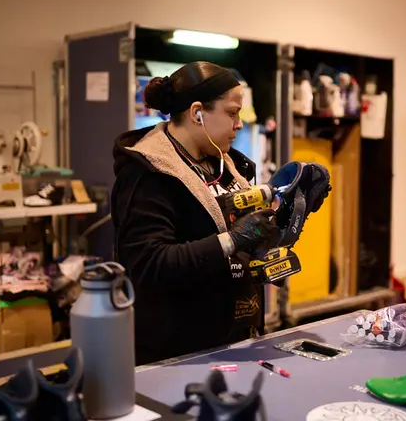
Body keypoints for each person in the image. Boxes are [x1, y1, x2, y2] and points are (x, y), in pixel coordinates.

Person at [111, 61, 281, 365]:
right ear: (197, 113)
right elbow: (150, 265)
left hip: (232, 342)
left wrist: (272, 243)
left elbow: (236, 238)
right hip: (176, 356)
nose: (239, 124)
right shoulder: (148, 174)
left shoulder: (227, 166)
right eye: (232, 112)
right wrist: (234, 240)